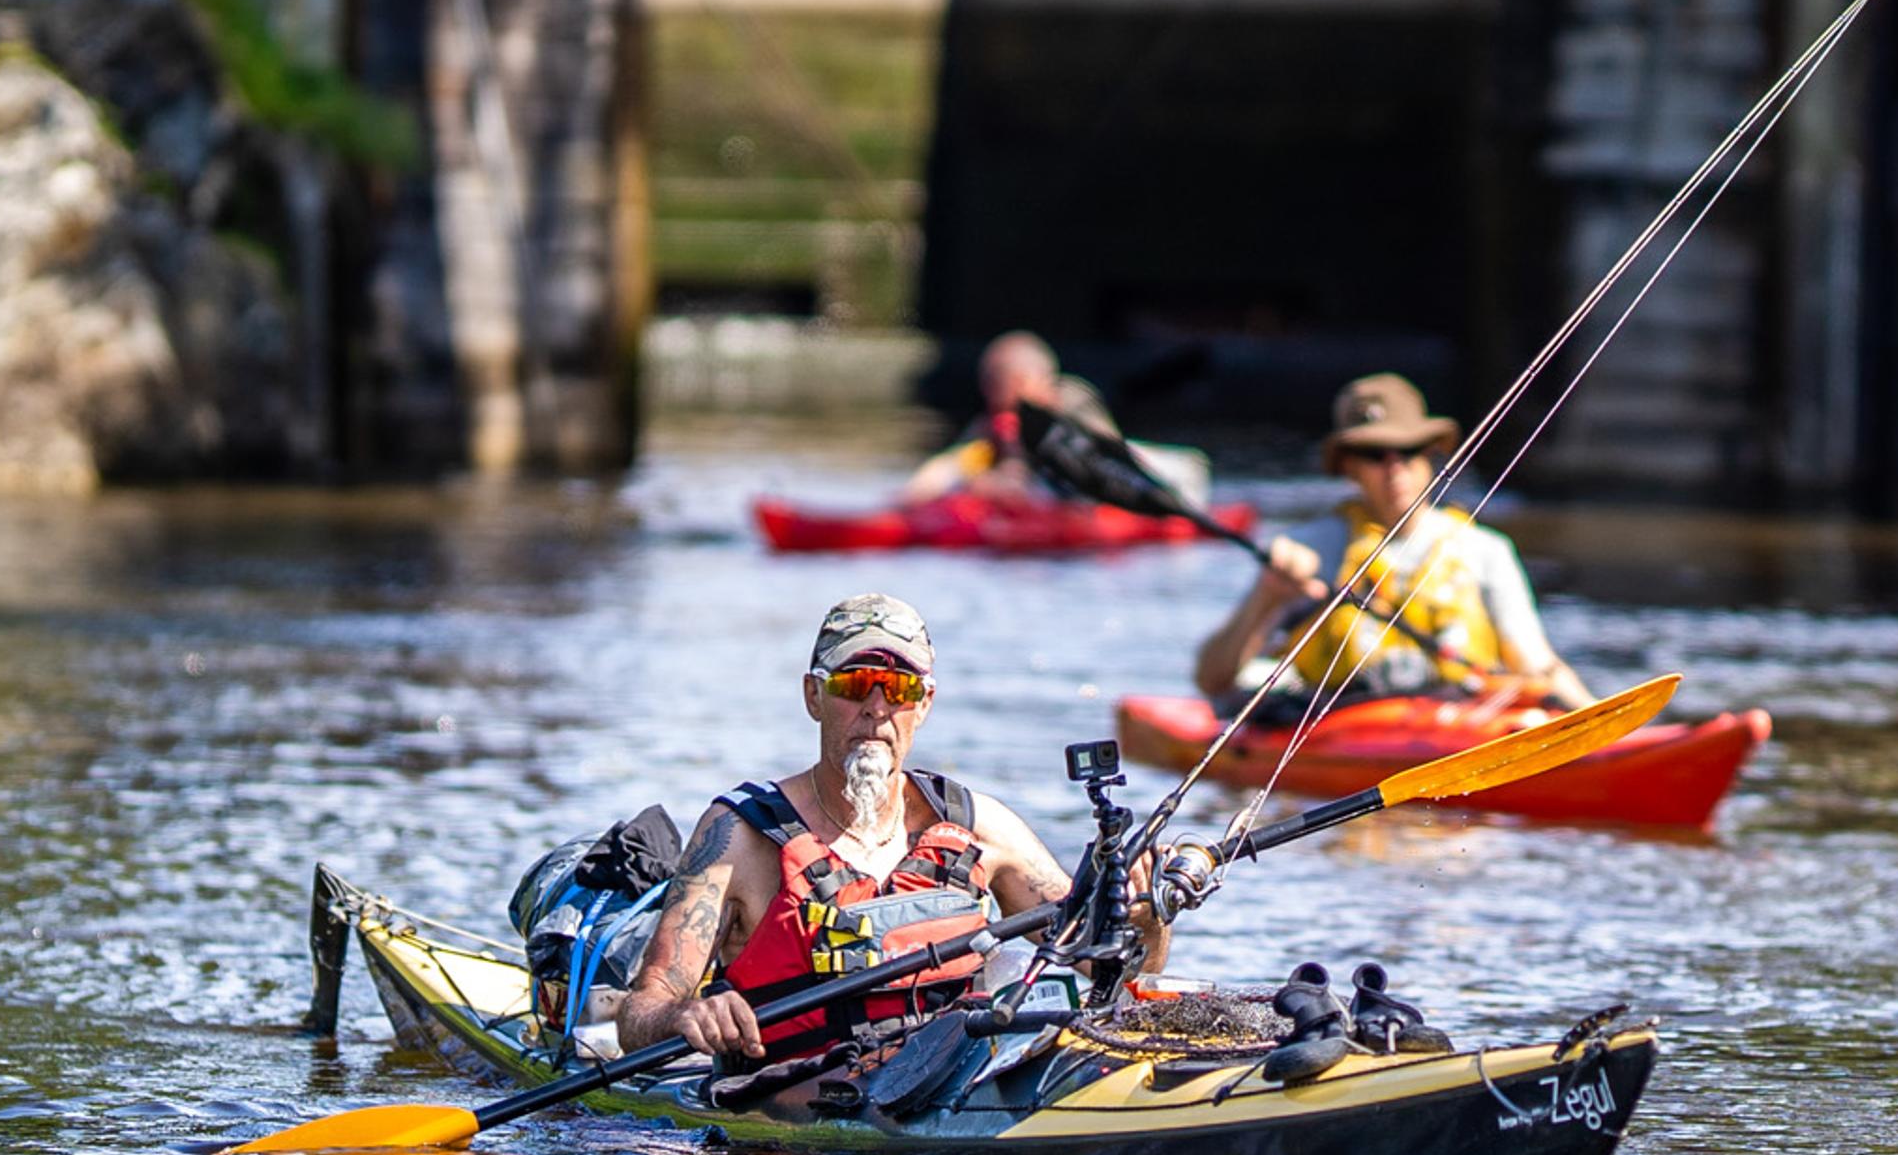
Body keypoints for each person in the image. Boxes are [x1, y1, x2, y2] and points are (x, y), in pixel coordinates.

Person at [613, 593, 1151, 1073]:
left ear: (924, 703)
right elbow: (640, 1012)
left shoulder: (981, 827)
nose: (876, 708)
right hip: (793, 1119)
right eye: (853, 685)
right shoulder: (738, 838)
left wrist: (1147, 912)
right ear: (813, 697)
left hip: (950, 1091)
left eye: (899, 688)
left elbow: (1119, 966)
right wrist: (688, 1013)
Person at [1189, 373, 1594, 712]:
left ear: (1430, 454)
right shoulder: (1302, 551)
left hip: (1456, 724)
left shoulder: (1486, 550)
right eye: (1374, 454)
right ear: (1348, 465)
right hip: (1341, 725)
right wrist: (1268, 595)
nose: (1394, 468)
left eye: (1407, 451)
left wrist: (1607, 726)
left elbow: (1538, 666)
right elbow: (1214, 681)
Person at [896, 332, 1121, 504]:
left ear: (1029, 381)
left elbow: (1109, 469)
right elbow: (952, 466)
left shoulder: (1073, 405)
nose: (989, 394)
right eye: (989, 384)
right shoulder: (991, 426)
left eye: (999, 383)